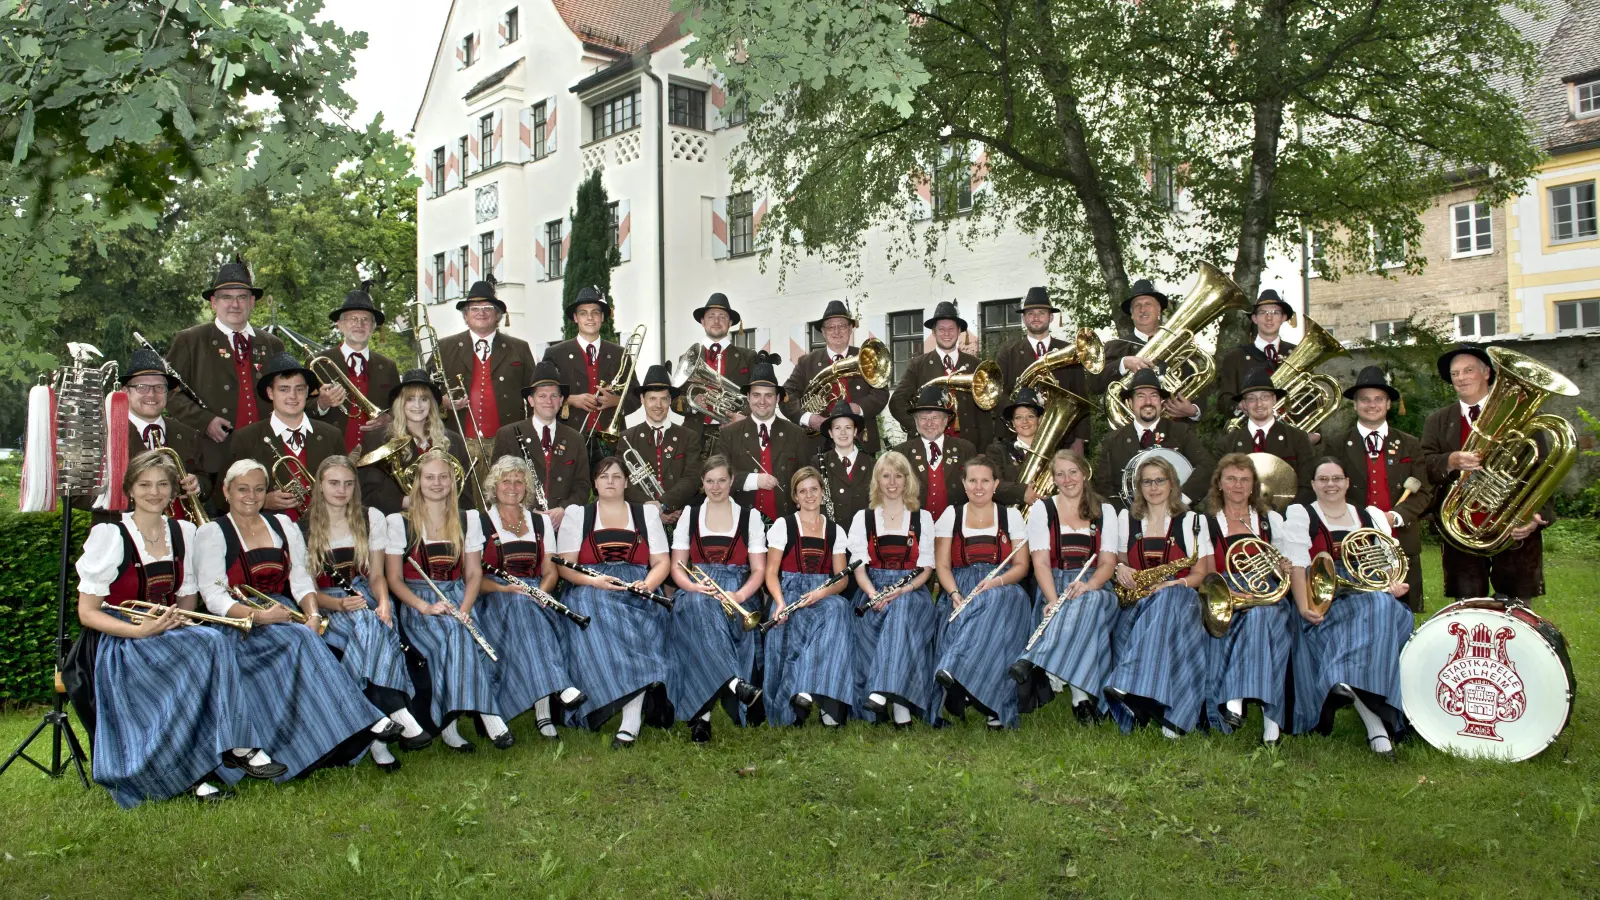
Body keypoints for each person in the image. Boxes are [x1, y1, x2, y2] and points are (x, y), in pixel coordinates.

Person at [70, 451, 282, 806]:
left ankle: (209, 761)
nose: (155, 493)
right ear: (130, 490)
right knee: (206, 648)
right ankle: (230, 750)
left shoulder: (183, 531)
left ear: (173, 491)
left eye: (163, 485)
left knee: (212, 641)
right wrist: (141, 631)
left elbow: (185, 598)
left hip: (164, 630)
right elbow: (87, 613)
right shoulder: (110, 534)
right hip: (119, 639)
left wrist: (178, 621)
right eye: (145, 485)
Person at [197, 459, 398, 780]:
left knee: (308, 634)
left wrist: (314, 614)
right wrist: (259, 615)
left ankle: (343, 730)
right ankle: (364, 716)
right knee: (304, 639)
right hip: (240, 622)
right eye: (242, 489)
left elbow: (301, 579)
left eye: (259, 489)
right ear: (226, 491)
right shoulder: (212, 532)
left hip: (282, 612)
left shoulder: (282, 525)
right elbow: (213, 594)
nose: (251, 496)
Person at [301, 455, 428, 770]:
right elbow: (305, 590)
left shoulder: (371, 517)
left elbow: (376, 577)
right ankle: (397, 713)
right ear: (319, 486)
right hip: (328, 603)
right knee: (368, 626)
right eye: (333, 483)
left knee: (377, 621)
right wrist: (340, 604)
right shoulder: (300, 526)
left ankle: (376, 733)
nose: (341, 490)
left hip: (366, 593)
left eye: (348, 484)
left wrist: (384, 603)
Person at [384, 450, 515, 751]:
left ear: (453, 481)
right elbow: (394, 579)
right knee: (459, 636)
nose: (437, 482)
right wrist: (425, 607)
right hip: (420, 604)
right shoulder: (398, 522)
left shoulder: (467, 519)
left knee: (463, 634)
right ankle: (489, 714)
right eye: (429, 477)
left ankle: (449, 726)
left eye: (443, 476)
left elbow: (473, 575)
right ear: (417, 482)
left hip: (458, 596)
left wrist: (466, 609)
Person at [1283, 457, 1412, 759]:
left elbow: (1389, 562)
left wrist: (1393, 584)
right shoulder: (1301, 514)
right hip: (1323, 598)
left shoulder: (1370, 516)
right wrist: (1303, 608)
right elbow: (1298, 567)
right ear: (1313, 484)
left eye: (1336, 478)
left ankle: (1346, 681)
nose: (1331, 485)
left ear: (1346, 482)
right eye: (1323, 479)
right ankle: (1378, 724)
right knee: (1383, 611)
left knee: (1388, 608)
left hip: (1369, 592)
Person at [554, 456, 674, 748]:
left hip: (637, 586)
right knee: (596, 610)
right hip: (590, 586)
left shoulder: (645, 515)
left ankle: (630, 718)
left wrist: (648, 584)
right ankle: (635, 703)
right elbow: (564, 566)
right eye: (604, 476)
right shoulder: (577, 515)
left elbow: (661, 563)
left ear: (626, 481)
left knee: (638, 620)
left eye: (617, 476)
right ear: (595, 483)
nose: (610, 482)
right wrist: (595, 581)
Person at [1421, 343, 1553, 604]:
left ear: (1487, 373)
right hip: (1460, 528)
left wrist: (1536, 517)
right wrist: (1452, 460)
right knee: (1468, 607)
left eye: (1468, 370)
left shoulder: (1520, 416)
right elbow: (1422, 464)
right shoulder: (1437, 420)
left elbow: (1545, 472)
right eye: (1455, 373)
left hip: (1513, 528)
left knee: (1518, 611)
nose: (1461, 377)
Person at [474, 456, 586, 740]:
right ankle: (550, 702)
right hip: (494, 597)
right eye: (506, 481)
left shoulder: (541, 522)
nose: (512, 487)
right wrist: (506, 589)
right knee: (522, 609)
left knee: (527, 610)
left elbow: (550, 572)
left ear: (526, 487)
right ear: (494, 486)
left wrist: (540, 593)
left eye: (519, 481)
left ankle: (545, 709)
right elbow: (474, 578)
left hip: (535, 595)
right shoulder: (479, 521)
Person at [1102, 455, 1215, 737]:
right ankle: (1172, 716)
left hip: (1183, 596)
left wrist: (1174, 585)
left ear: (1172, 483)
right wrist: (1121, 567)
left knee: (1169, 601)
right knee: (1165, 612)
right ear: (1139, 486)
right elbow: (1117, 557)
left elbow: (1202, 572)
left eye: (1159, 480)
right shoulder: (1126, 518)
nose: (1153, 487)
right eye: (1147, 481)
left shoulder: (1194, 520)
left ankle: (1130, 683)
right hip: (1137, 603)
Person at [1010, 450, 1120, 724]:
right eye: (1060, 474)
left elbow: (1107, 563)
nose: (1067, 479)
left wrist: (1089, 585)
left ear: (1085, 473)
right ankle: (1081, 699)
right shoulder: (1042, 509)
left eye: (1073, 471)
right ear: (1054, 479)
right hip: (1054, 585)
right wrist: (1051, 600)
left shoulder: (1105, 511)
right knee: (1081, 612)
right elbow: (1041, 564)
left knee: (1090, 602)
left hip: (1096, 585)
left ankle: (1036, 655)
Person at [667, 456, 768, 742]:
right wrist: (692, 588)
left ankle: (702, 717)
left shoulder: (750, 517)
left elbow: (758, 569)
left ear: (732, 480)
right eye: (709, 481)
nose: (716, 486)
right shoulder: (690, 514)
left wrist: (740, 595)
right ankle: (736, 683)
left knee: (704, 617)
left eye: (722, 480)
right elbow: (678, 566)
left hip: (737, 591)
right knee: (700, 606)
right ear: (702, 483)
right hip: (697, 589)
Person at [1201, 453, 1297, 745]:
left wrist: (1282, 569)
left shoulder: (1270, 520)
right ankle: (1272, 723)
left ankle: (1237, 698)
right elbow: (1206, 571)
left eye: (1245, 479)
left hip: (1265, 589)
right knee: (1261, 620)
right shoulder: (1206, 521)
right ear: (1219, 483)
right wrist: (1230, 592)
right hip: (1225, 590)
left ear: (1254, 484)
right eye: (1231, 478)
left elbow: (1282, 564)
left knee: (1262, 615)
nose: (1238, 485)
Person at [161, 257, 287, 478]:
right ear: (213, 302)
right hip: (210, 458)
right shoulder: (190, 341)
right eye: (226, 297)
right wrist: (205, 421)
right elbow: (169, 393)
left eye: (242, 297)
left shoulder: (272, 344)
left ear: (252, 302)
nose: (235, 304)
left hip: (266, 455)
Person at [933, 456, 1032, 729]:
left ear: (996, 484)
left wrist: (996, 583)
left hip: (1004, 585)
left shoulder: (1011, 515)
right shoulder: (951, 515)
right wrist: (953, 594)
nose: (979, 487)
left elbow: (1022, 565)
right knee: (990, 626)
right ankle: (991, 706)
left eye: (985, 481)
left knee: (998, 603)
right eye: (973, 481)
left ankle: (955, 666)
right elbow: (942, 565)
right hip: (962, 585)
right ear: (964, 485)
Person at [850, 452, 939, 728]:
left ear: (907, 480)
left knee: (901, 609)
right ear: (877, 480)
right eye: (886, 476)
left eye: (898, 476)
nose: (892, 482)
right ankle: (900, 705)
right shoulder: (863, 518)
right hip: (872, 591)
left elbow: (926, 569)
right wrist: (873, 593)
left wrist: (903, 590)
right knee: (894, 617)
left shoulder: (922, 518)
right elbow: (858, 566)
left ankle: (883, 692)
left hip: (912, 592)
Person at [763, 466, 854, 727]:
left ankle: (817, 696)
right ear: (795, 497)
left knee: (838, 609)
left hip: (822, 593)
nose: (809, 495)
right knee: (812, 621)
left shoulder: (835, 530)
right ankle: (809, 696)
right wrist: (780, 603)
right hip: (790, 593)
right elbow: (771, 572)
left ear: (823, 493)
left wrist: (822, 591)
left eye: (814, 489)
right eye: (803, 491)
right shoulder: (784, 525)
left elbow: (841, 578)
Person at [1335, 366, 1431, 610]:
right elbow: (1329, 493)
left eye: (1379, 399)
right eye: (1364, 399)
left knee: (1403, 617)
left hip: (1401, 543)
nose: (1371, 405)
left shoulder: (1409, 444)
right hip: (1356, 545)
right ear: (1355, 405)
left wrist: (1394, 517)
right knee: (1359, 614)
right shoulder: (1336, 445)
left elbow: (1423, 492)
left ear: (1388, 404)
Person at [224, 352, 344, 522]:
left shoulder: (331, 435)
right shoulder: (245, 438)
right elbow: (223, 496)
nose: (293, 396)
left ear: (308, 391)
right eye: (284, 389)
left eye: (299, 389)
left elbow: (346, 487)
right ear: (270, 393)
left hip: (325, 530)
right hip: (269, 535)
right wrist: (263, 500)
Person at [89, 348, 207, 521]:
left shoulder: (188, 434)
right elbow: (79, 495)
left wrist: (199, 484)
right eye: (142, 387)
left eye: (160, 387)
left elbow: (206, 479)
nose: (151, 394)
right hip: (120, 533)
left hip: (178, 536)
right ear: (125, 392)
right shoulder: (102, 434)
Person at [436, 280, 539, 473]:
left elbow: (535, 393)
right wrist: (441, 401)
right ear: (465, 316)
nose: (481, 313)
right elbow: (424, 390)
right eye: (474, 308)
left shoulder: (519, 348)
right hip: (458, 442)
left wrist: (531, 436)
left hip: (507, 444)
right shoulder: (444, 347)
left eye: (487, 308)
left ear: (498, 315)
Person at [491, 360, 592, 531]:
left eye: (554, 396)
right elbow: (496, 484)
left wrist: (564, 510)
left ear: (561, 401)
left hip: (563, 524)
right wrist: (527, 512)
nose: (548, 401)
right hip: (519, 523)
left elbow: (582, 486)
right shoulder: (507, 435)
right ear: (531, 400)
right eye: (542, 396)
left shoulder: (575, 439)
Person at [358, 368, 474, 515]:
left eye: (424, 399)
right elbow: (367, 494)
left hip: (446, 522)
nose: (417, 406)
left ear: (432, 404)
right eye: (410, 399)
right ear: (400, 403)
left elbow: (465, 496)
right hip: (397, 525)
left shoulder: (454, 440)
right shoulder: (378, 439)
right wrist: (407, 501)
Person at [781, 299, 891, 455]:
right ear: (823, 332)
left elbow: (881, 393)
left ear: (851, 329)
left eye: (842, 326)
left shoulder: (867, 357)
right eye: (831, 327)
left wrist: (858, 408)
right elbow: (786, 395)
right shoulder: (807, 362)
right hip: (818, 444)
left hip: (860, 440)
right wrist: (809, 418)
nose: (837, 331)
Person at [1092, 369, 1214, 509]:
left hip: (1173, 518)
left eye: (1154, 396)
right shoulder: (1113, 440)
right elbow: (1103, 486)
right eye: (1140, 396)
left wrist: (1180, 500)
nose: (1148, 402)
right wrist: (1124, 516)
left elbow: (1207, 466)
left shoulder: (1180, 432)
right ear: (1130, 403)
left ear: (1161, 401)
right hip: (1129, 520)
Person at [541, 286, 642, 453]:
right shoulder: (555, 354)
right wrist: (571, 400)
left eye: (595, 312)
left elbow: (636, 395)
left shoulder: (619, 353)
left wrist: (615, 401)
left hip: (611, 440)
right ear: (575, 318)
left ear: (602, 317)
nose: (590, 318)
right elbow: (542, 395)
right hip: (569, 437)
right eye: (583, 313)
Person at [994, 287, 1090, 453]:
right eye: (1030, 313)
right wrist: (1019, 415)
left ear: (1051, 317)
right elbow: (997, 392)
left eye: (1041, 313)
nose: (1036, 317)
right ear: (1024, 318)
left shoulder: (1068, 350)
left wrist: (1080, 439)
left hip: (1062, 437)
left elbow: (1081, 396)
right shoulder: (1008, 352)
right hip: (1019, 438)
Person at [888, 300, 992, 450]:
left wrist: (983, 450)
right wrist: (920, 426)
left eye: (951, 329)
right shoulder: (918, 365)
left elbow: (985, 412)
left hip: (968, 446)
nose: (947, 334)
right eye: (941, 329)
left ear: (959, 331)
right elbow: (897, 402)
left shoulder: (976, 365)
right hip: (927, 445)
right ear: (934, 332)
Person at [309, 282, 398, 453]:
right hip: (330, 452)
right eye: (352, 319)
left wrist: (388, 418)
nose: (359, 324)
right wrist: (322, 403)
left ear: (373, 327)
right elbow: (302, 407)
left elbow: (398, 408)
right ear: (339, 325)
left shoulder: (388, 366)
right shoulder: (318, 362)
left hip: (376, 453)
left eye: (366, 320)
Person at [1099, 279, 1203, 421]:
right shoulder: (1115, 346)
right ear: (1131, 313)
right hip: (1130, 433)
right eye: (1137, 306)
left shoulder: (1180, 345)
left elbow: (1199, 383)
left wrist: (1193, 411)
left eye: (1148, 304)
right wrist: (1123, 363)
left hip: (1175, 433)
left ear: (1159, 309)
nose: (1142, 309)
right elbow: (1094, 384)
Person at [1217, 367, 1315, 506]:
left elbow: (1307, 485)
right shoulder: (1227, 443)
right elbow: (1219, 487)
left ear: (1274, 400)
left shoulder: (1297, 438)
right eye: (1252, 399)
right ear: (1244, 404)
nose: (1259, 404)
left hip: (1287, 518)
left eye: (1265, 397)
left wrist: (1291, 516)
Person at [724, 361, 808, 520]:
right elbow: (718, 477)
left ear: (777, 399)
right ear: (748, 397)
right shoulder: (729, 434)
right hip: (740, 522)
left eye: (768, 395)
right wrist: (753, 480)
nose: (762, 401)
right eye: (756, 395)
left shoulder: (797, 434)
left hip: (785, 524)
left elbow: (806, 477)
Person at [620, 363, 702, 526]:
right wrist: (652, 509)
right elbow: (625, 483)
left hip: (681, 517)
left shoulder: (688, 437)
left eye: (663, 399)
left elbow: (692, 479)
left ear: (670, 401)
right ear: (642, 400)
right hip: (641, 518)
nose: (658, 406)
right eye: (652, 399)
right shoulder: (627, 438)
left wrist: (664, 504)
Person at [678, 292, 755, 457]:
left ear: (731, 323)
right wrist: (692, 404)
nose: (717, 321)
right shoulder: (687, 358)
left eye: (722, 316)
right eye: (711, 316)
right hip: (695, 434)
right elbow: (674, 400)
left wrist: (744, 416)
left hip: (736, 433)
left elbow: (759, 394)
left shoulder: (748, 357)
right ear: (702, 321)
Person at [891, 385, 977, 523]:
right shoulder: (900, 453)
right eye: (923, 418)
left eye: (935, 418)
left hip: (956, 527)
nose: (929, 423)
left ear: (945, 420)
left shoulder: (965, 449)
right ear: (916, 421)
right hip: (914, 528)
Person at [1214, 289, 1297, 416]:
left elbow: (1311, 397)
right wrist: (1239, 406)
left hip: (1291, 432)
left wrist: (1315, 435)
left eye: (1275, 312)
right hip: (1249, 432)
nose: (1269, 317)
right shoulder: (1236, 357)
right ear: (1254, 318)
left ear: (1283, 318)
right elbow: (1223, 401)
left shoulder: (1297, 353)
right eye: (1263, 312)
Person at [813, 399, 873, 529]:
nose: (843, 433)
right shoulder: (817, 463)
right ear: (830, 433)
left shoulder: (872, 464)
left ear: (855, 431)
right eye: (837, 428)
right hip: (830, 533)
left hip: (864, 535)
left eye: (848, 427)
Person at [987, 386, 1046, 512]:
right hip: (1009, 516)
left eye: (1030, 416)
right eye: (1018, 417)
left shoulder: (1052, 452)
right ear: (1013, 423)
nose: (1024, 421)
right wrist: (1022, 492)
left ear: (1039, 420)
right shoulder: (998, 450)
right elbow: (994, 485)